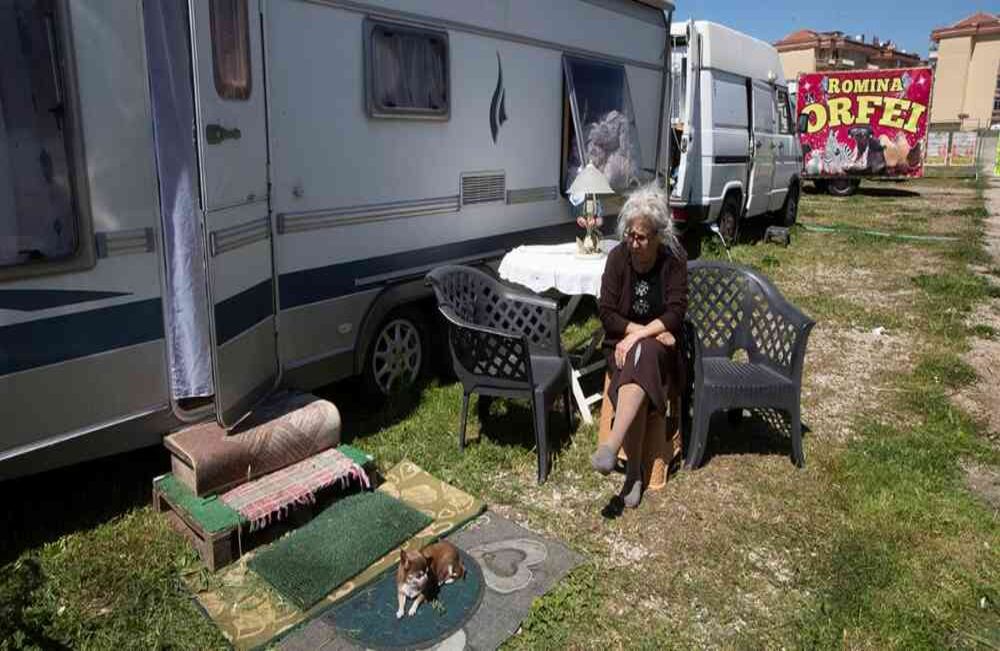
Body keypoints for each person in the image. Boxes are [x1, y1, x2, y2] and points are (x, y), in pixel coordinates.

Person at [591, 184, 687, 508]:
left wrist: (640, 335)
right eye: (630, 234)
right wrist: (637, 334)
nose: (634, 242)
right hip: (626, 340)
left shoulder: (672, 260)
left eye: (642, 237)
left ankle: (622, 458)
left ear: (658, 235)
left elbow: (676, 311)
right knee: (639, 354)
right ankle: (631, 471)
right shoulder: (619, 257)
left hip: (662, 345)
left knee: (643, 352)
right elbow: (606, 312)